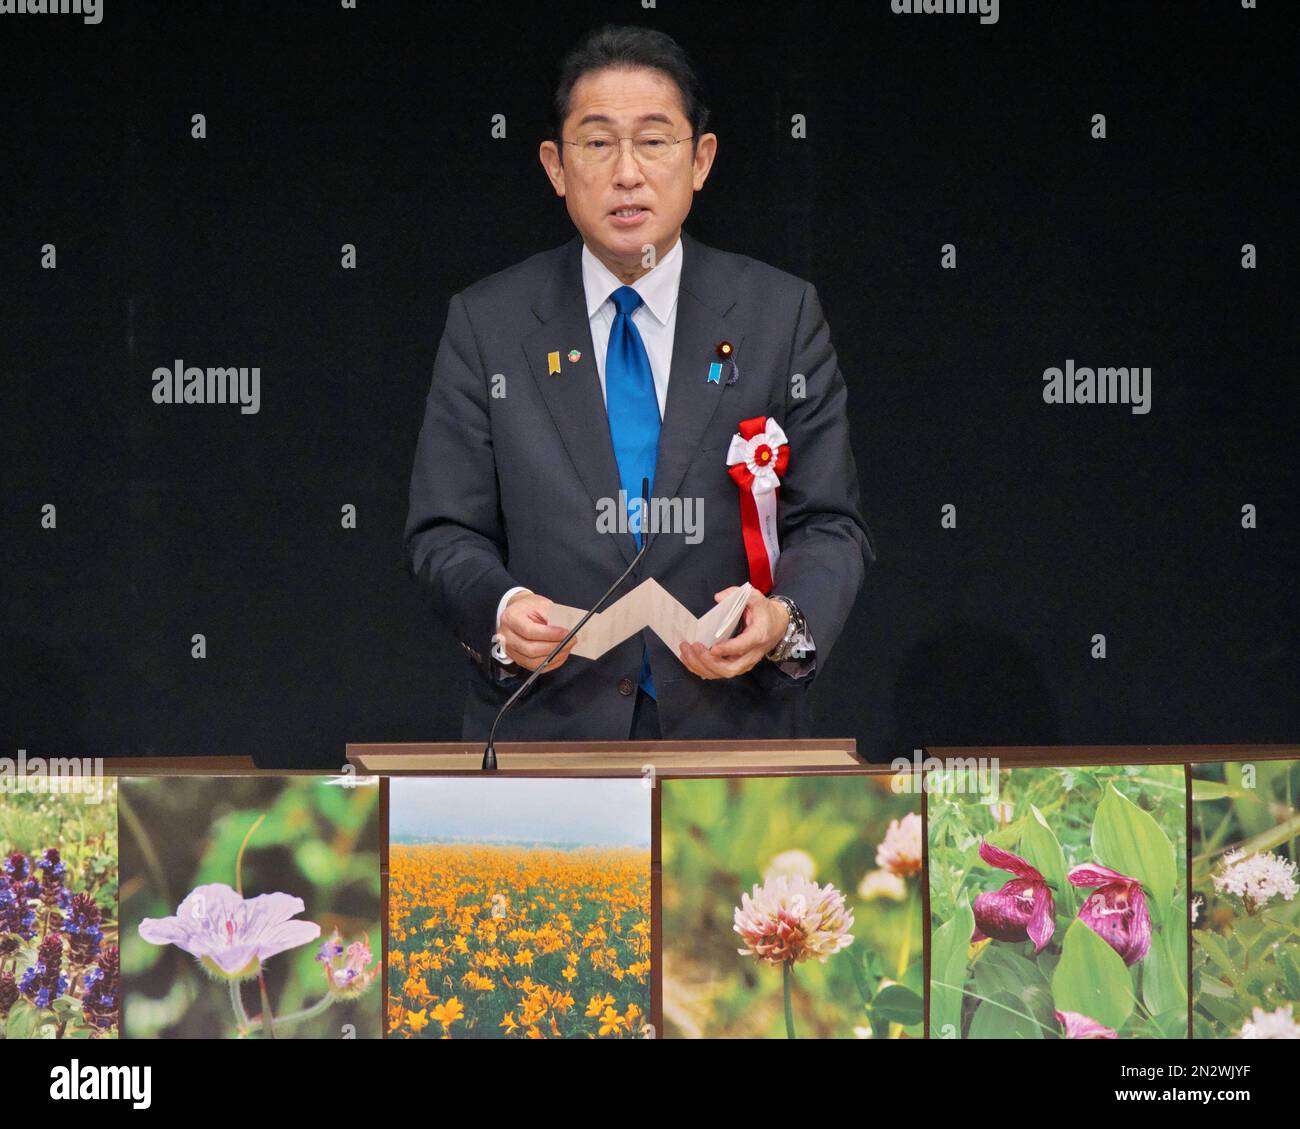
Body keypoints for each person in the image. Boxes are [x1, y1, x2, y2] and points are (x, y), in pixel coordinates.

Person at [404, 24, 874, 741]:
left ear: (701, 160)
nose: (627, 172)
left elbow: (831, 523)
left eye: (654, 141)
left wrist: (784, 619)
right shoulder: (487, 323)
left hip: (732, 731)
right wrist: (502, 609)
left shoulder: (779, 316)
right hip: (549, 729)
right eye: (597, 143)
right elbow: (444, 532)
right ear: (556, 167)